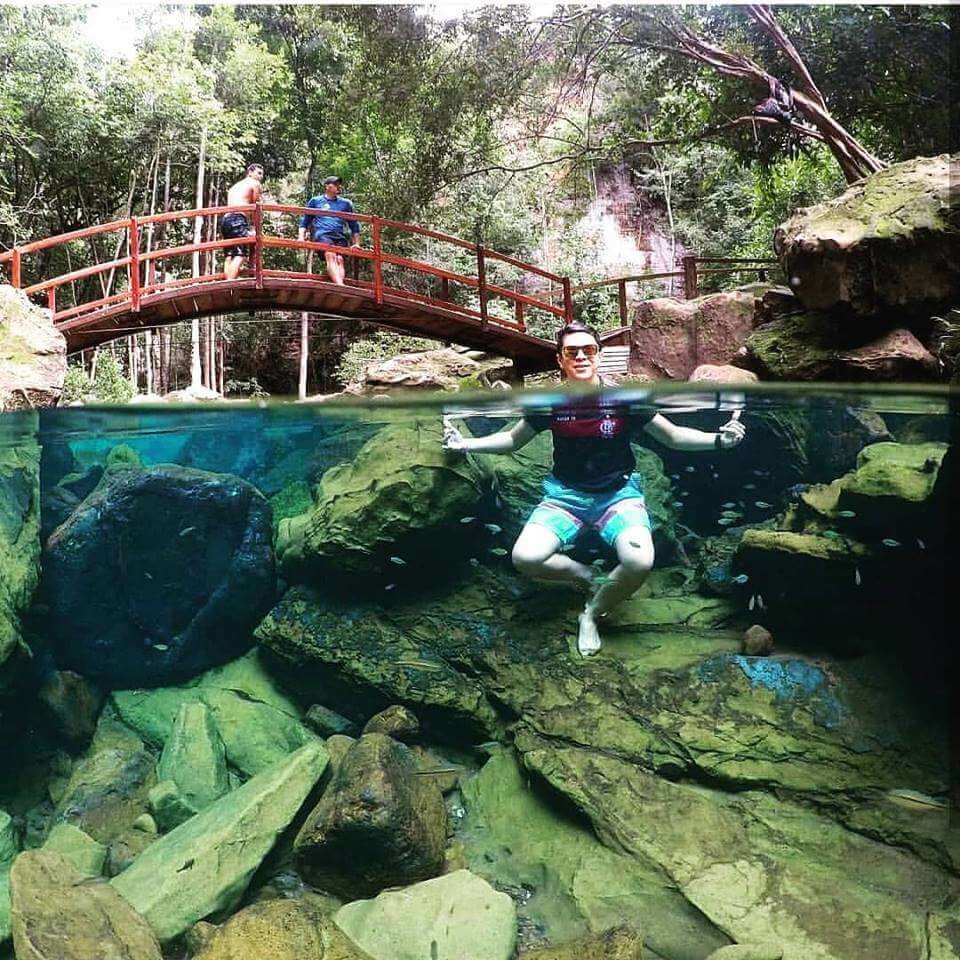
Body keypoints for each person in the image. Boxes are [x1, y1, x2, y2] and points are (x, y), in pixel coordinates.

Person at [443, 321, 746, 657]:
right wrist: (466, 444)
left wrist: (719, 440)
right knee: (524, 557)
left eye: (588, 350)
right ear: (560, 360)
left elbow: (673, 436)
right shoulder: (549, 402)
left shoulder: (624, 398)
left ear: (599, 356)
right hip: (564, 497)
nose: (581, 357)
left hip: (619, 496)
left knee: (640, 561)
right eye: (572, 352)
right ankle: (585, 575)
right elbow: (513, 440)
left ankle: (590, 614)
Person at [298, 175, 361, 285]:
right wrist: (301, 237)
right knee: (330, 255)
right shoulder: (316, 201)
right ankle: (340, 286)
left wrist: (357, 243)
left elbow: (354, 225)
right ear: (327, 186)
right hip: (323, 234)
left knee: (340, 259)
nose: (338, 187)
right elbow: (305, 221)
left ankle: (339, 283)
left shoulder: (346, 204)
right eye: (335, 184)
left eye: (339, 185)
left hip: (339, 236)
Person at [221, 163, 265, 281]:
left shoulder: (235, 186)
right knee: (241, 254)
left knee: (230, 255)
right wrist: (256, 227)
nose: (260, 177)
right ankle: (230, 284)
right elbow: (257, 206)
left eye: (262, 175)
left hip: (226, 219)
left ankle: (228, 283)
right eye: (259, 173)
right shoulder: (254, 183)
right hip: (237, 219)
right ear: (250, 172)